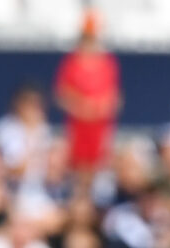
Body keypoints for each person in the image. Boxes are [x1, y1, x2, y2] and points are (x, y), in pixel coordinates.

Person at [54, 9, 122, 181]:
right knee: (78, 167)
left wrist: (100, 108)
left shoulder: (108, 62)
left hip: (100, 127)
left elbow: (114, 97)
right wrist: (83, 108)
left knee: (100, 165)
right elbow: (62, 94)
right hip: (78, 126)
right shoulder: (71, 62)